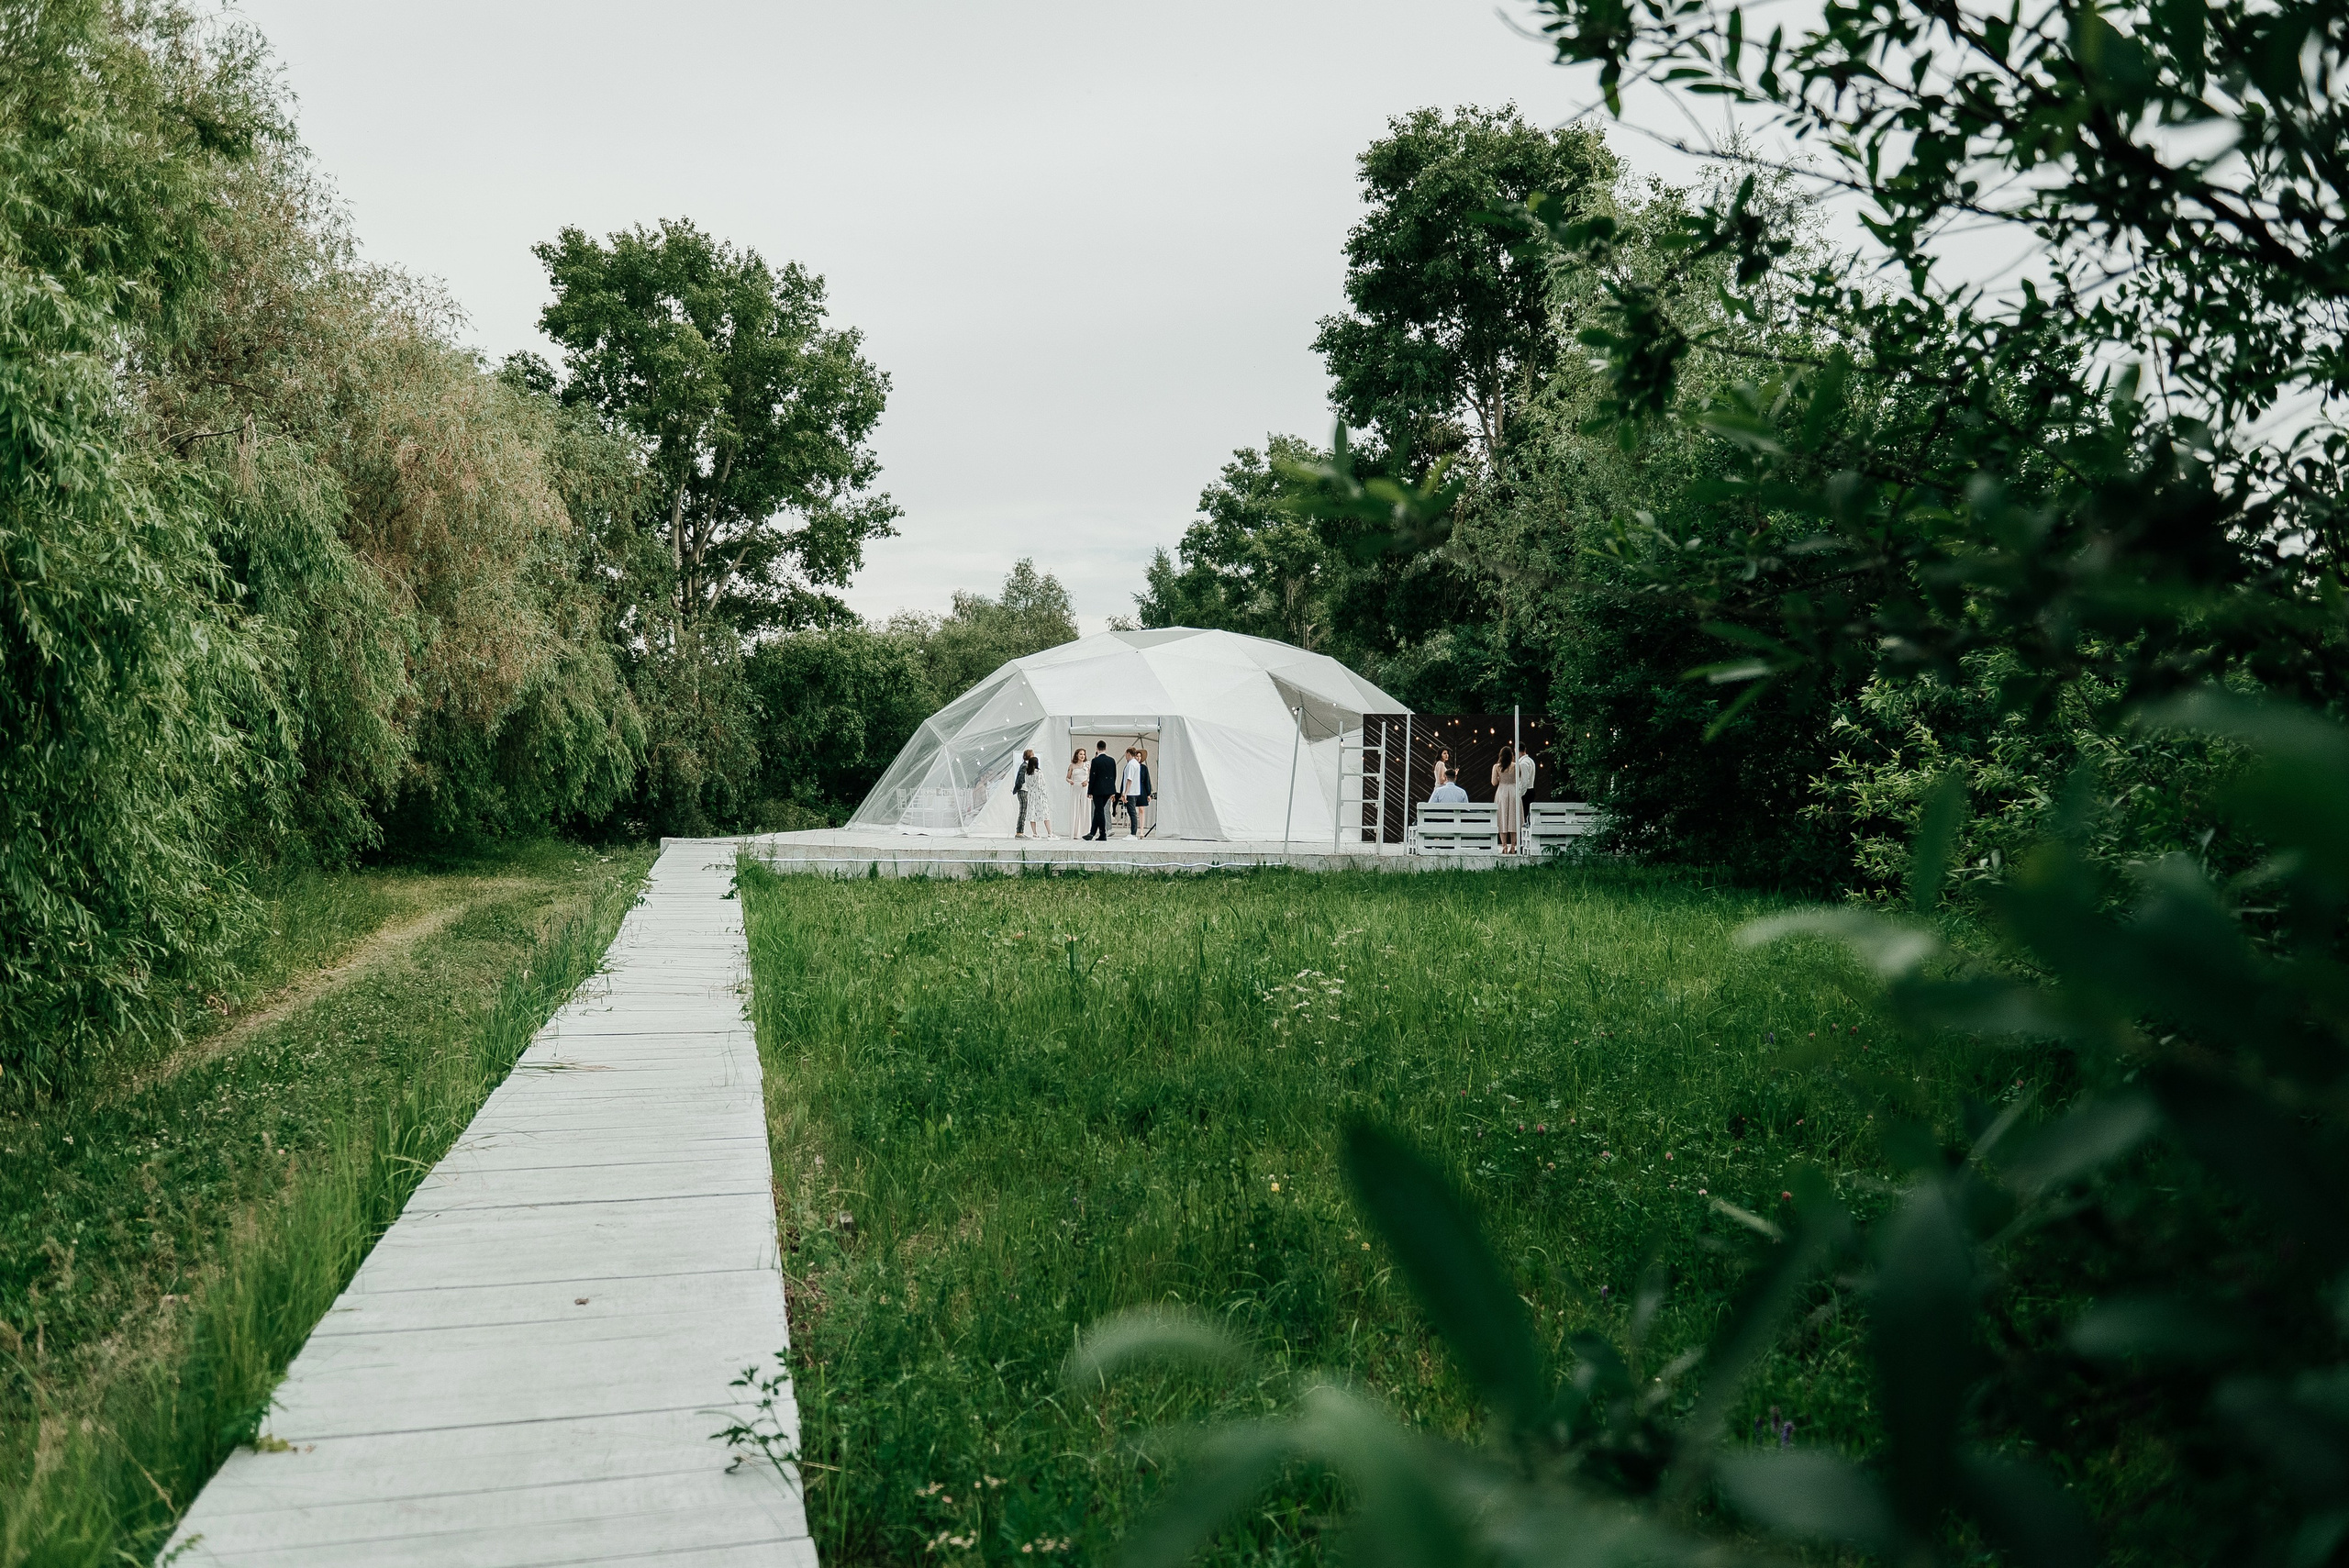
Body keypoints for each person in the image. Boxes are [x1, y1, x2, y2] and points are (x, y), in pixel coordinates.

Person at [1085, 740, 1118, 840]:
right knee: (1098, 811)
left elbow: (1093, 777)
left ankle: (1103, 833)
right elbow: (1114, 775)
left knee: (1099, 811)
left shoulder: (1095, 761)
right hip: (1108, 790)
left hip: (1098, 790)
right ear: (1105, 748)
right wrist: (1112, 789)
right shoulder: (1111, 760)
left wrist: (1089, 791)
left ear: (1097, 748)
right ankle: (1092, 833)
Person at [1492, 743, 1520, 853]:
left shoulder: (1496, 767)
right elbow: (1519, 778)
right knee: (1514, 818)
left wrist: (1500, 777)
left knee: (1502, 818)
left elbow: (1494, 782)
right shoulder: (1516, 765)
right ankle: (1513, 846)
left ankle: (1504, 845)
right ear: (1511, 755)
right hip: (1513, 791)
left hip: (1502, 791)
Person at [1021, 752, 1052, 839]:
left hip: (1031, 795)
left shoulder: (1027, 773)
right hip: (1040, 795)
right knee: (1045, 813)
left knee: (1032, 814)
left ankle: (1035, 833)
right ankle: (1049, 833)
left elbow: (1027, 784)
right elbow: (1041, 784)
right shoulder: (1039, 773)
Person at [1123, 746, 1146, 837]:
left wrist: (1125, 792)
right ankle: (1133, 832)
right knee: (1132, 812)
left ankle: (1133, 833)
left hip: (1131, 792)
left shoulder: (1131, 764)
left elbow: (1129, 779)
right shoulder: (1136, 764)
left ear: (1128, 754)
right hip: (1135, 791)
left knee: (1132, 812)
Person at [1012, 748, 1034, 838]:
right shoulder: (1025, 766)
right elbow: (1021, 779)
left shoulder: (1026, 766)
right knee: (1023, 811)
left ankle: (1020, 831)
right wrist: (1019, 787)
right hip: (1023, 790)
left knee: (1023, 810)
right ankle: (1019, 831)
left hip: (1024, 790)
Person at [1066, 749, 1088, 835]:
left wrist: (1087, 781)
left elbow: (1090, 776)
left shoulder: (1087, 765)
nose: (1082, 756)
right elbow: (1067, 777)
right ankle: (1075, 832)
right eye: (1080, 754)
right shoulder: (1072, 766)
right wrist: (1070, 781)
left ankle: (1085, 831)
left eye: (1083, 754)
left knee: (1085, 808)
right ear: (1077, 755)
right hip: (1075, 787)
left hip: (1084, 787)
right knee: (1075, 808)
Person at [1134, 745, 1154, 837]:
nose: (1138, 758)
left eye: (1139, 756)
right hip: (1133, 788)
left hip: (1142, 789)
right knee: (1132, 810)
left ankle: (1141, 830)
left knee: (1141, 809)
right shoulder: (1131, 766)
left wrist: (1148, 794)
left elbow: (1147, 780)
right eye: (1137, 756)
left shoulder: (1144, 768)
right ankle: (1133, 829)